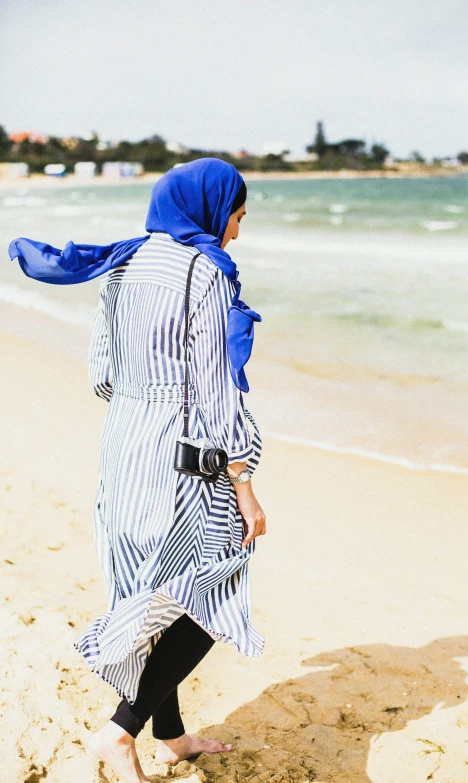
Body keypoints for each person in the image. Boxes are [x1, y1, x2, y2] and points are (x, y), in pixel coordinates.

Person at [8, 158, 267, 783]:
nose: (235, 233)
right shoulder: (203, 272)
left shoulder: (126, 260)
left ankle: (170, 734)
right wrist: (244, 479)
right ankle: (120, 732)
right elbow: (214, 389)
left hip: (124, 444)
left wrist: (142, 403)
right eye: (235, 217)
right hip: (180, 452)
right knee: (210, 593)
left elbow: (102, 369)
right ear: (209, 211)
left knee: (150, 588)